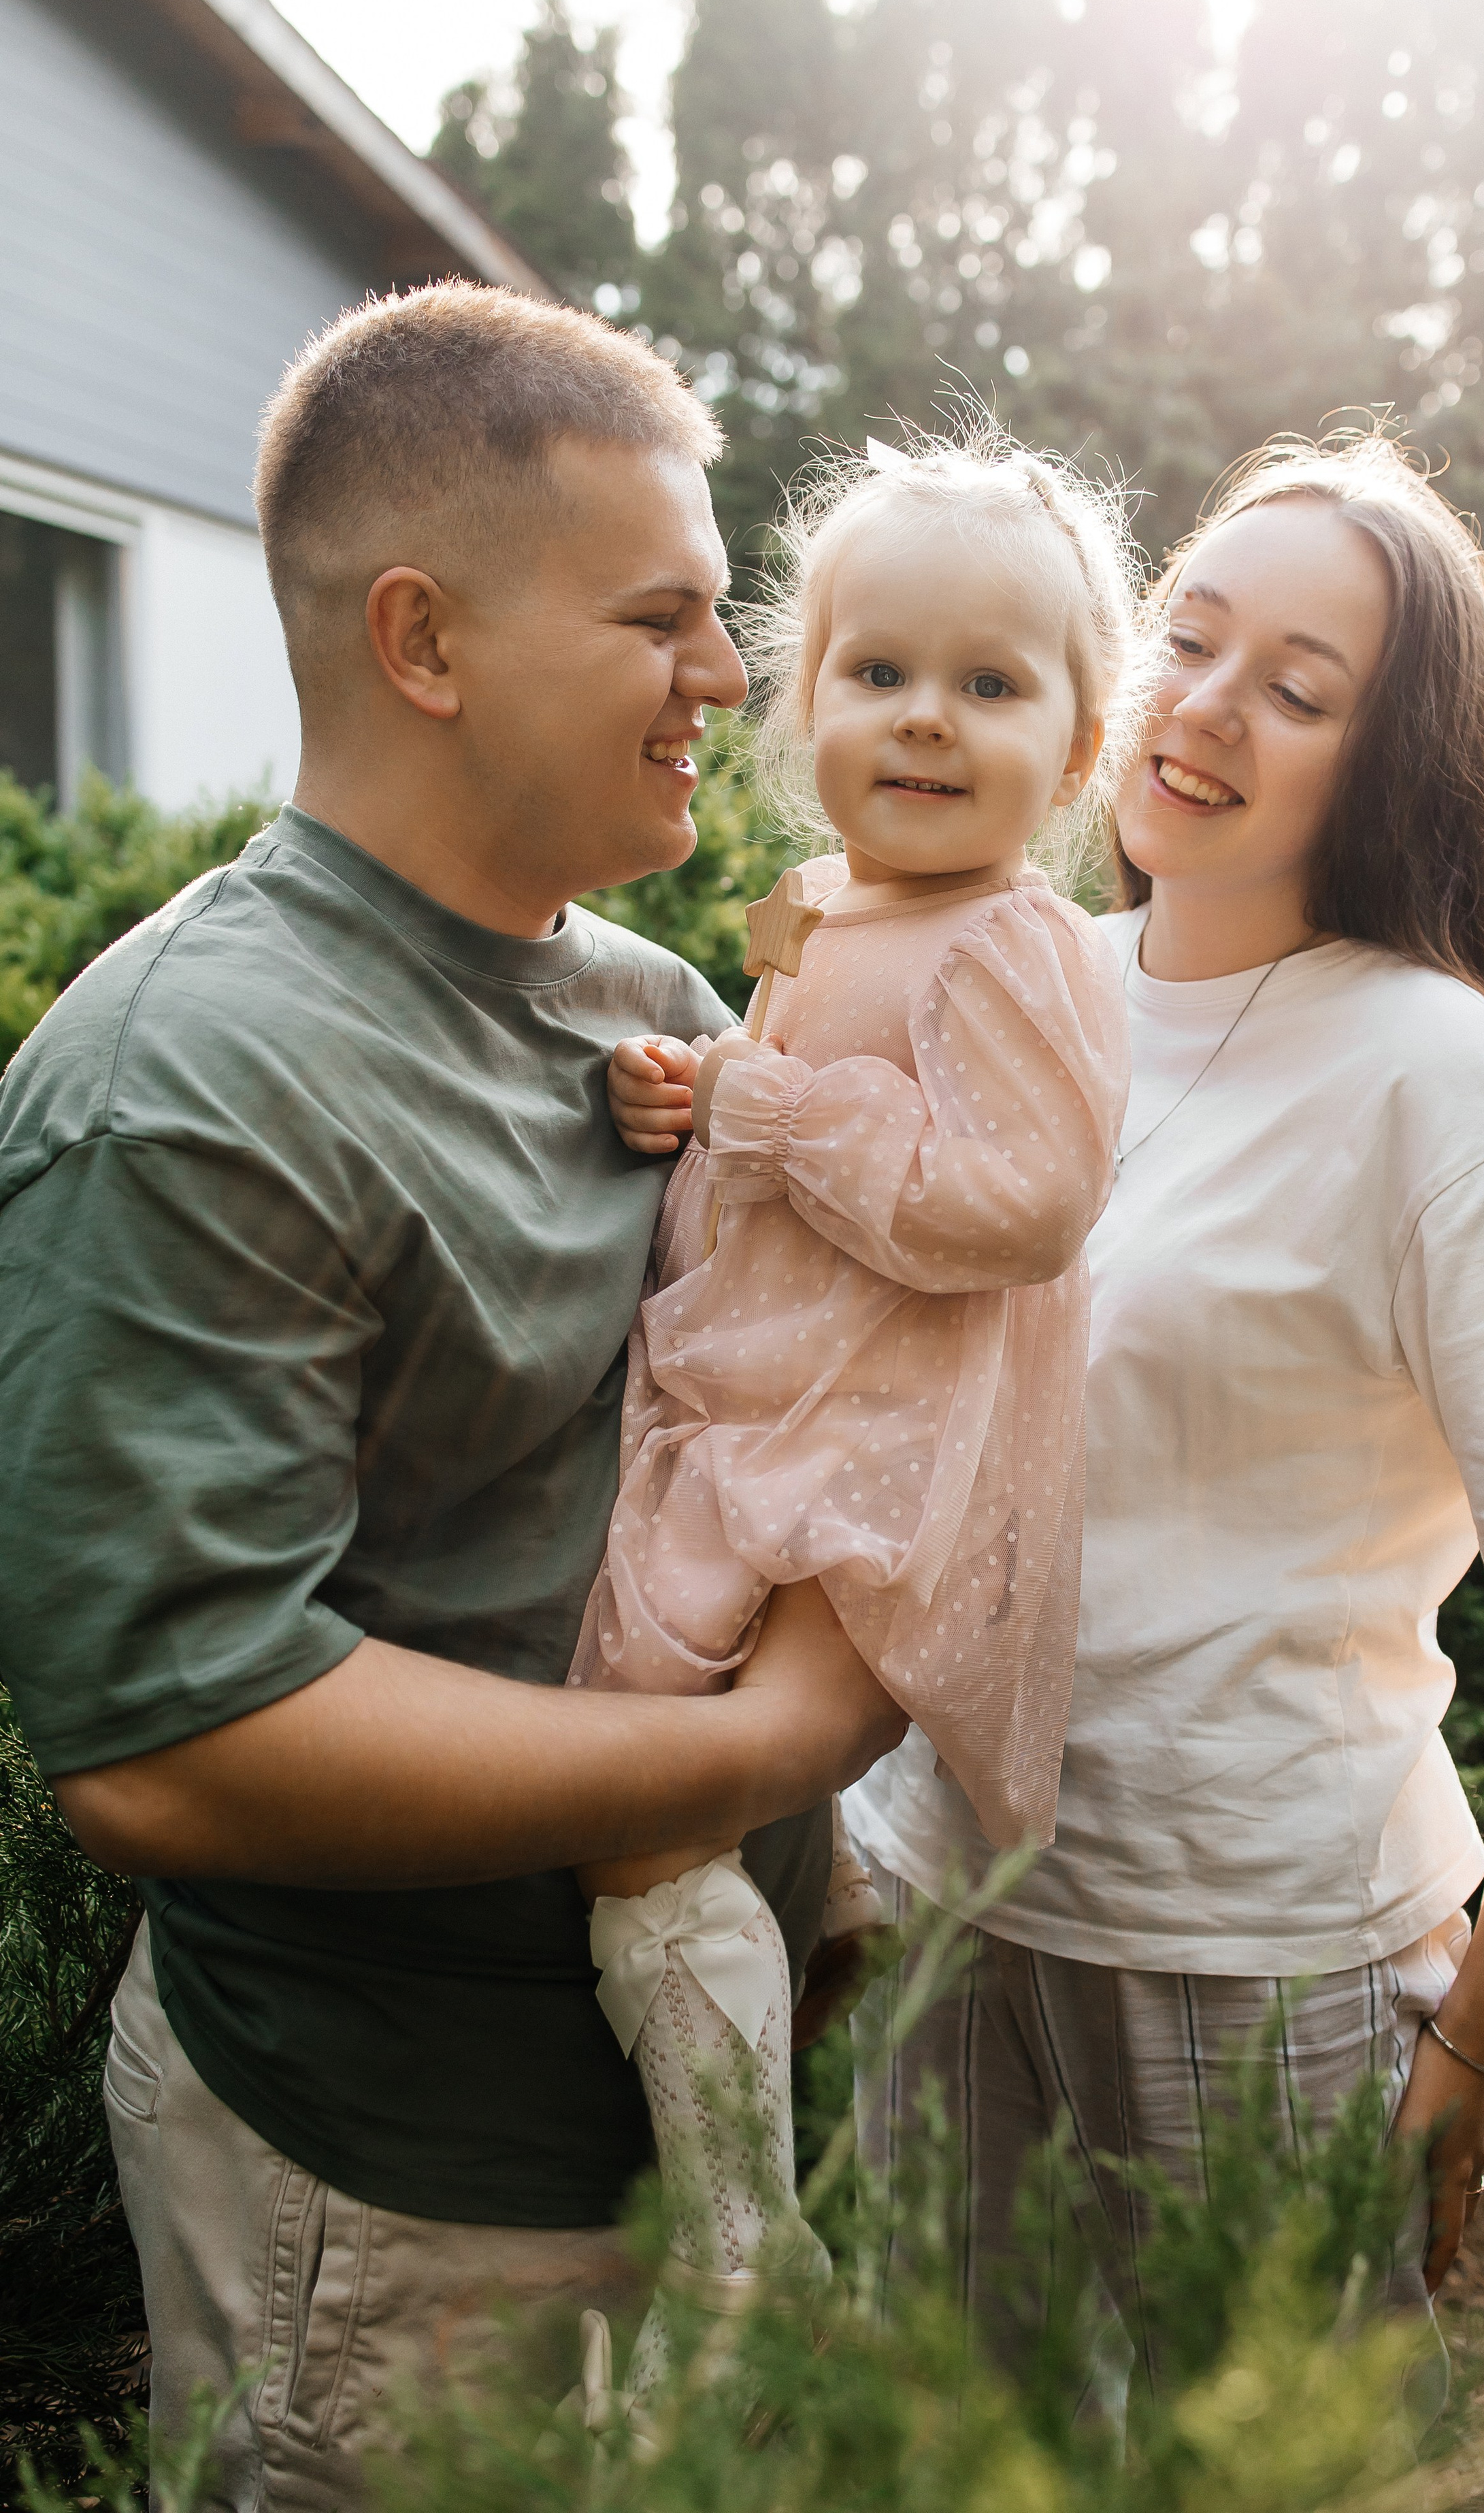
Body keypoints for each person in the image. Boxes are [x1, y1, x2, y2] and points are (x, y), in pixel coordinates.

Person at [0, 284, 902, 2509]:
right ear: (423, 640)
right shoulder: (191, 1084)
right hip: (398, 2209)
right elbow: (179, 1745)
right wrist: (763, 1752)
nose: (727, 680)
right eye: (659, 619)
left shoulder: (657, 1001)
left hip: (702, 2133)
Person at [843, 431, 1484, 2385]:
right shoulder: (1013, 980)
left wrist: (1473, 2028)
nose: (1211, 706)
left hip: (1259, 1959)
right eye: (1192, 636)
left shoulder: (1431, 1075)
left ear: (1386, 762)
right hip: (940, 1902)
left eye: (1301, 690)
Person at [578, 429, 1137, 2395]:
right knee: (651, 1813)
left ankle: (742, 2247)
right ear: (801, 696)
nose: (925, 718)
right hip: (756, 1403)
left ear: (1080, 750)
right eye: (879, 669)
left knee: (648, 1799)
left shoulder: (1012, 942)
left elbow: (1026, 1199)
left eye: (991, 684)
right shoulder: (821, 908)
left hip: (873, 1445)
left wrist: (767, 1107)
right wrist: (694, 1096)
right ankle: (794, 2037)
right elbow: (777, 1133)